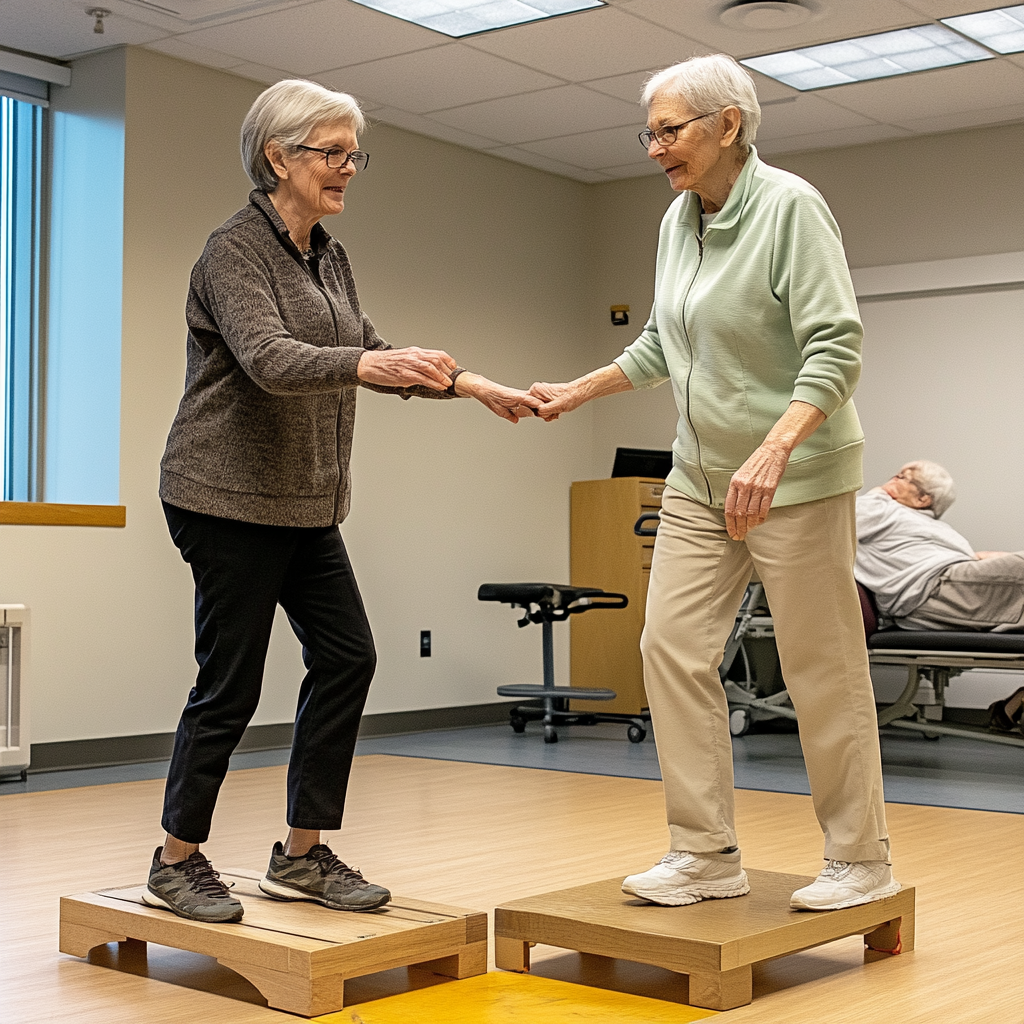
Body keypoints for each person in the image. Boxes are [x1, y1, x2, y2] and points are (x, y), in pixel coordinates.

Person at [146, 79, 539, 924]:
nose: (347, 168)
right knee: (231, 681)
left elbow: (369, 349)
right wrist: (367, 367)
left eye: (354, 153)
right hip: (222, 495)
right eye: (331, 152)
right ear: (276, 157)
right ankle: (175, 859)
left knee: (347, 656)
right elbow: (270, 358)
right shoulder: (232, 252)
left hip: (304, 501)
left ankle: (302, 855)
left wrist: (474, 386)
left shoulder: (327, 252)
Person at [531, 54, 897, 912]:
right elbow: (663, 343)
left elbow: (835, 347)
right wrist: (578, 389)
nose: (656, 148)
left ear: (728, 125)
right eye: (649, 133)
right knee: (670, 647)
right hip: (699, 478)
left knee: (821, 667)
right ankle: (704, 851)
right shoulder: (677, 221)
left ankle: (860, 857)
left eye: (671, 130)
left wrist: (773, 452)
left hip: (796, 477)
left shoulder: (791, 208)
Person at [857, 461, 1024, 631]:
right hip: (931, 588)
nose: (893, 479)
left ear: (922, 499)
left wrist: (980, 557)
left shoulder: (929, 524)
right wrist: (877, 494)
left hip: (950, 582)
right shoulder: (879, 509)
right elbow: (852, 515)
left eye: (903, 477)